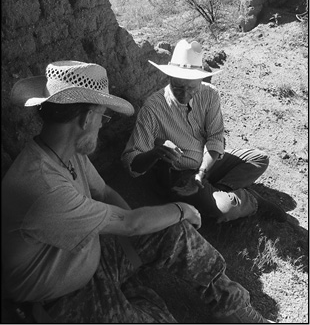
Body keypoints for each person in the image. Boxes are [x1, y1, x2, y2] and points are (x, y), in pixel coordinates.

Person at [1, 60, 275, 324]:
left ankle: (231, 307)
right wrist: (182, 210)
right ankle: (131, 295)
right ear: (86, 118)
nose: (101, 125)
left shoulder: (67, 154)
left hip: (88, 252)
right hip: (59, 295)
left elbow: (106, 193)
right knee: (170, 229)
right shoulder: (43, 188)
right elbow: (130, 223)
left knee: (172, 229)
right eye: (103, 117)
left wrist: (141, 235)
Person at [121, 39, 287, 224]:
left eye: (191, 88)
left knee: (258, 158)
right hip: (180, 175)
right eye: (178, 87)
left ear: (201, 80)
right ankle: (252, 201)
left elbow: (215, 137)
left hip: (206, 164)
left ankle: (218, 188)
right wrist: (154, 154)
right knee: (225, 210)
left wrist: (201, 173)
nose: (184, 94)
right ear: (168, 78)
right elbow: (131, 163)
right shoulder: (153, 108)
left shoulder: (209, 94)